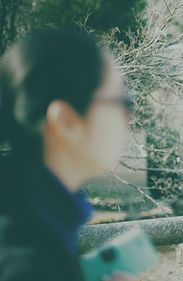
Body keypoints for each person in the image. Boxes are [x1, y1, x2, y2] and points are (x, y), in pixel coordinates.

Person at [0, 30, 131, 281]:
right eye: (121, 102)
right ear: (66, 121)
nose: (128, 118)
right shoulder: (26, 263)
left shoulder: (31, 223)